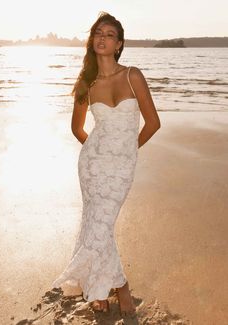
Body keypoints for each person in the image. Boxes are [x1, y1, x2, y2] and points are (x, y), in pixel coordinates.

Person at [52, 12, 160, 316]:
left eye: (109, 34)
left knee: (101, 225)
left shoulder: (132, 75)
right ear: (92, 39)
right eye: (98, 32)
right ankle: (115, 287)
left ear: (119, 44)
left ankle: (100, 285)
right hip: (92, 164)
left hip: (121, 165)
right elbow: (77, 128)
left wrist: (127, 151)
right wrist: (97, 152)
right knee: (98, 225)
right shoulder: (86, 82)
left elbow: (153, 122)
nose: (102, 37)